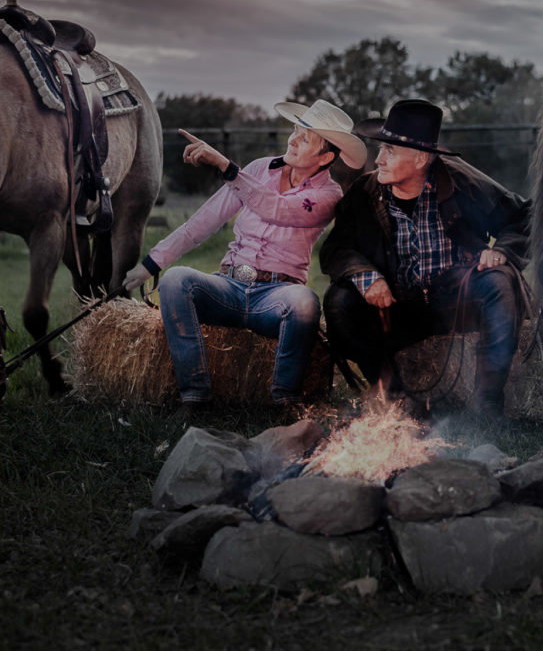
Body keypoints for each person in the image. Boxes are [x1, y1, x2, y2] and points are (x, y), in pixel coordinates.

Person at [123, 99, 367, 414]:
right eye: (295, 131)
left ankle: (285, 401)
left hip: (277, 296)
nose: (292, 140)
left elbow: (277, 209)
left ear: (327, 156)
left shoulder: (329, 195)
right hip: (230, 286)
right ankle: (195, 396)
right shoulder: (259, 169)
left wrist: (227, 167)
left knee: (305, 302)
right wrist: (151, 263)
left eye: (304, 138)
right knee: (176, 280)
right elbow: (204, 220)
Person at [320, 98, 531, 416]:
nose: (379, 160)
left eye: (390, 151)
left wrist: (501, 251)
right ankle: (394, 396)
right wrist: (367, 275)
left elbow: (523, 217)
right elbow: (336, 248)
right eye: (381, 150)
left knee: (499, 281)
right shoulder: (365, 192)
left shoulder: (462, 182)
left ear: (420, 158)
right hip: (396, 307)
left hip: (456, 300)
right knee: (339, 301)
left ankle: (487, 400)